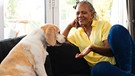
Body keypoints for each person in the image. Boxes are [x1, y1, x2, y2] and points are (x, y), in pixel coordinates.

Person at [62, 0, 115, 74]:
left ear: (92, 15)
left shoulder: (104, 25)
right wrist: (69, 26)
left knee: (99, 68)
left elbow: (110, 51)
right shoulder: (77, 33)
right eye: (77, 13)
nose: (80, 15)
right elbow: (61, 41)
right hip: (93, 69)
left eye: (84, 12)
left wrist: (92, 48)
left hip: (108, 66)